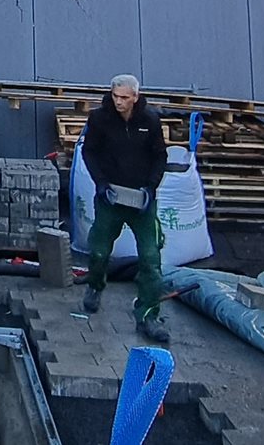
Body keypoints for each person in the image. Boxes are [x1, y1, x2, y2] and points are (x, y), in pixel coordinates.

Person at [80, 74, 170, 343]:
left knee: (151, 259)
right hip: (111, 196)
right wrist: (100, 183)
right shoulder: (99, 119)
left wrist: (151, 188)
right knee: (98, 251)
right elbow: (89, 152)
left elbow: (160, 156)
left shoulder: (150, 121)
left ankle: (148, 314)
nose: (118, 102)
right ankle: (95, 285)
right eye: (115, 96)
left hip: (141, 200)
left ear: (135, 97)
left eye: (124, 98)